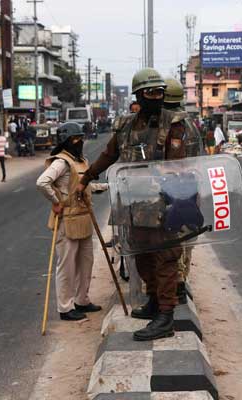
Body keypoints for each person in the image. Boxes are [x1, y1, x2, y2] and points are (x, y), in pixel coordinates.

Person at [75, 68, 191, 341]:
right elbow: (109, 154)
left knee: (165, 260)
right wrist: (86, 178)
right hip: (135, 205)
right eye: (151, 92)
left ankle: (166, 316)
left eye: (160, 92)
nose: (156, 97)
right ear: (139, 94)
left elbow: (177, 164)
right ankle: (153, 301)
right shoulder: (125, 125)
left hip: (166, 206)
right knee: (142, 256)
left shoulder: (173, 123)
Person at [36, 124, 107, 321]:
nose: (80, 142)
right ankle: (65, 308)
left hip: (84, 217)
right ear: (66, 141)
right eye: (75, 139)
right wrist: (56, 202)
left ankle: (82, 300)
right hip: (67, 219)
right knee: (67, 266)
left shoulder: (82, 161)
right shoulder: (61, 162)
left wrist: (108, 186)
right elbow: (42, 182)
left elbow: (85, 186)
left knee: (86, 262)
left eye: (80, 138)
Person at [163, 77, 201, 303]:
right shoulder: (192, 126)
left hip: (171, 193)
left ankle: (175, 284)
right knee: (187, 240)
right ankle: (181, 279)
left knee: (171, 240)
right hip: (191, 191)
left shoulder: (165, 126)